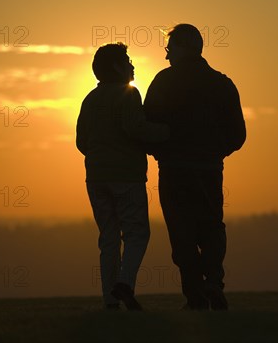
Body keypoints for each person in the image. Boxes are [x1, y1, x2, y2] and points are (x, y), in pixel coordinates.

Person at [143, 24, 246, 310]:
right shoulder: (222, 84)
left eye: (169, 49)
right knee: (212, 227)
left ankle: (195, 294)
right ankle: (213, 281)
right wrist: (214, 153)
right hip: (209, 171)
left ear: (182, 48)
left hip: (174, 171)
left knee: (181, 232)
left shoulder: (164, 82)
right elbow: (238, 135)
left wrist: (159, 151)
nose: (166, 57)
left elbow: (146, 126)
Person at [76, 42, 169, 311]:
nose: (132, 65)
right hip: (126, 176)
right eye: (127, 60)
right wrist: (166, 133)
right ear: (117, 66)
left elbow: (81, 141)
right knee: (137, 233)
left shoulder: (89, 100)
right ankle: (125, 284)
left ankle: (109, 299)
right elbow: (135, 127)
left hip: (95, 177)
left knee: (108, 238)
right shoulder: (128, 94)